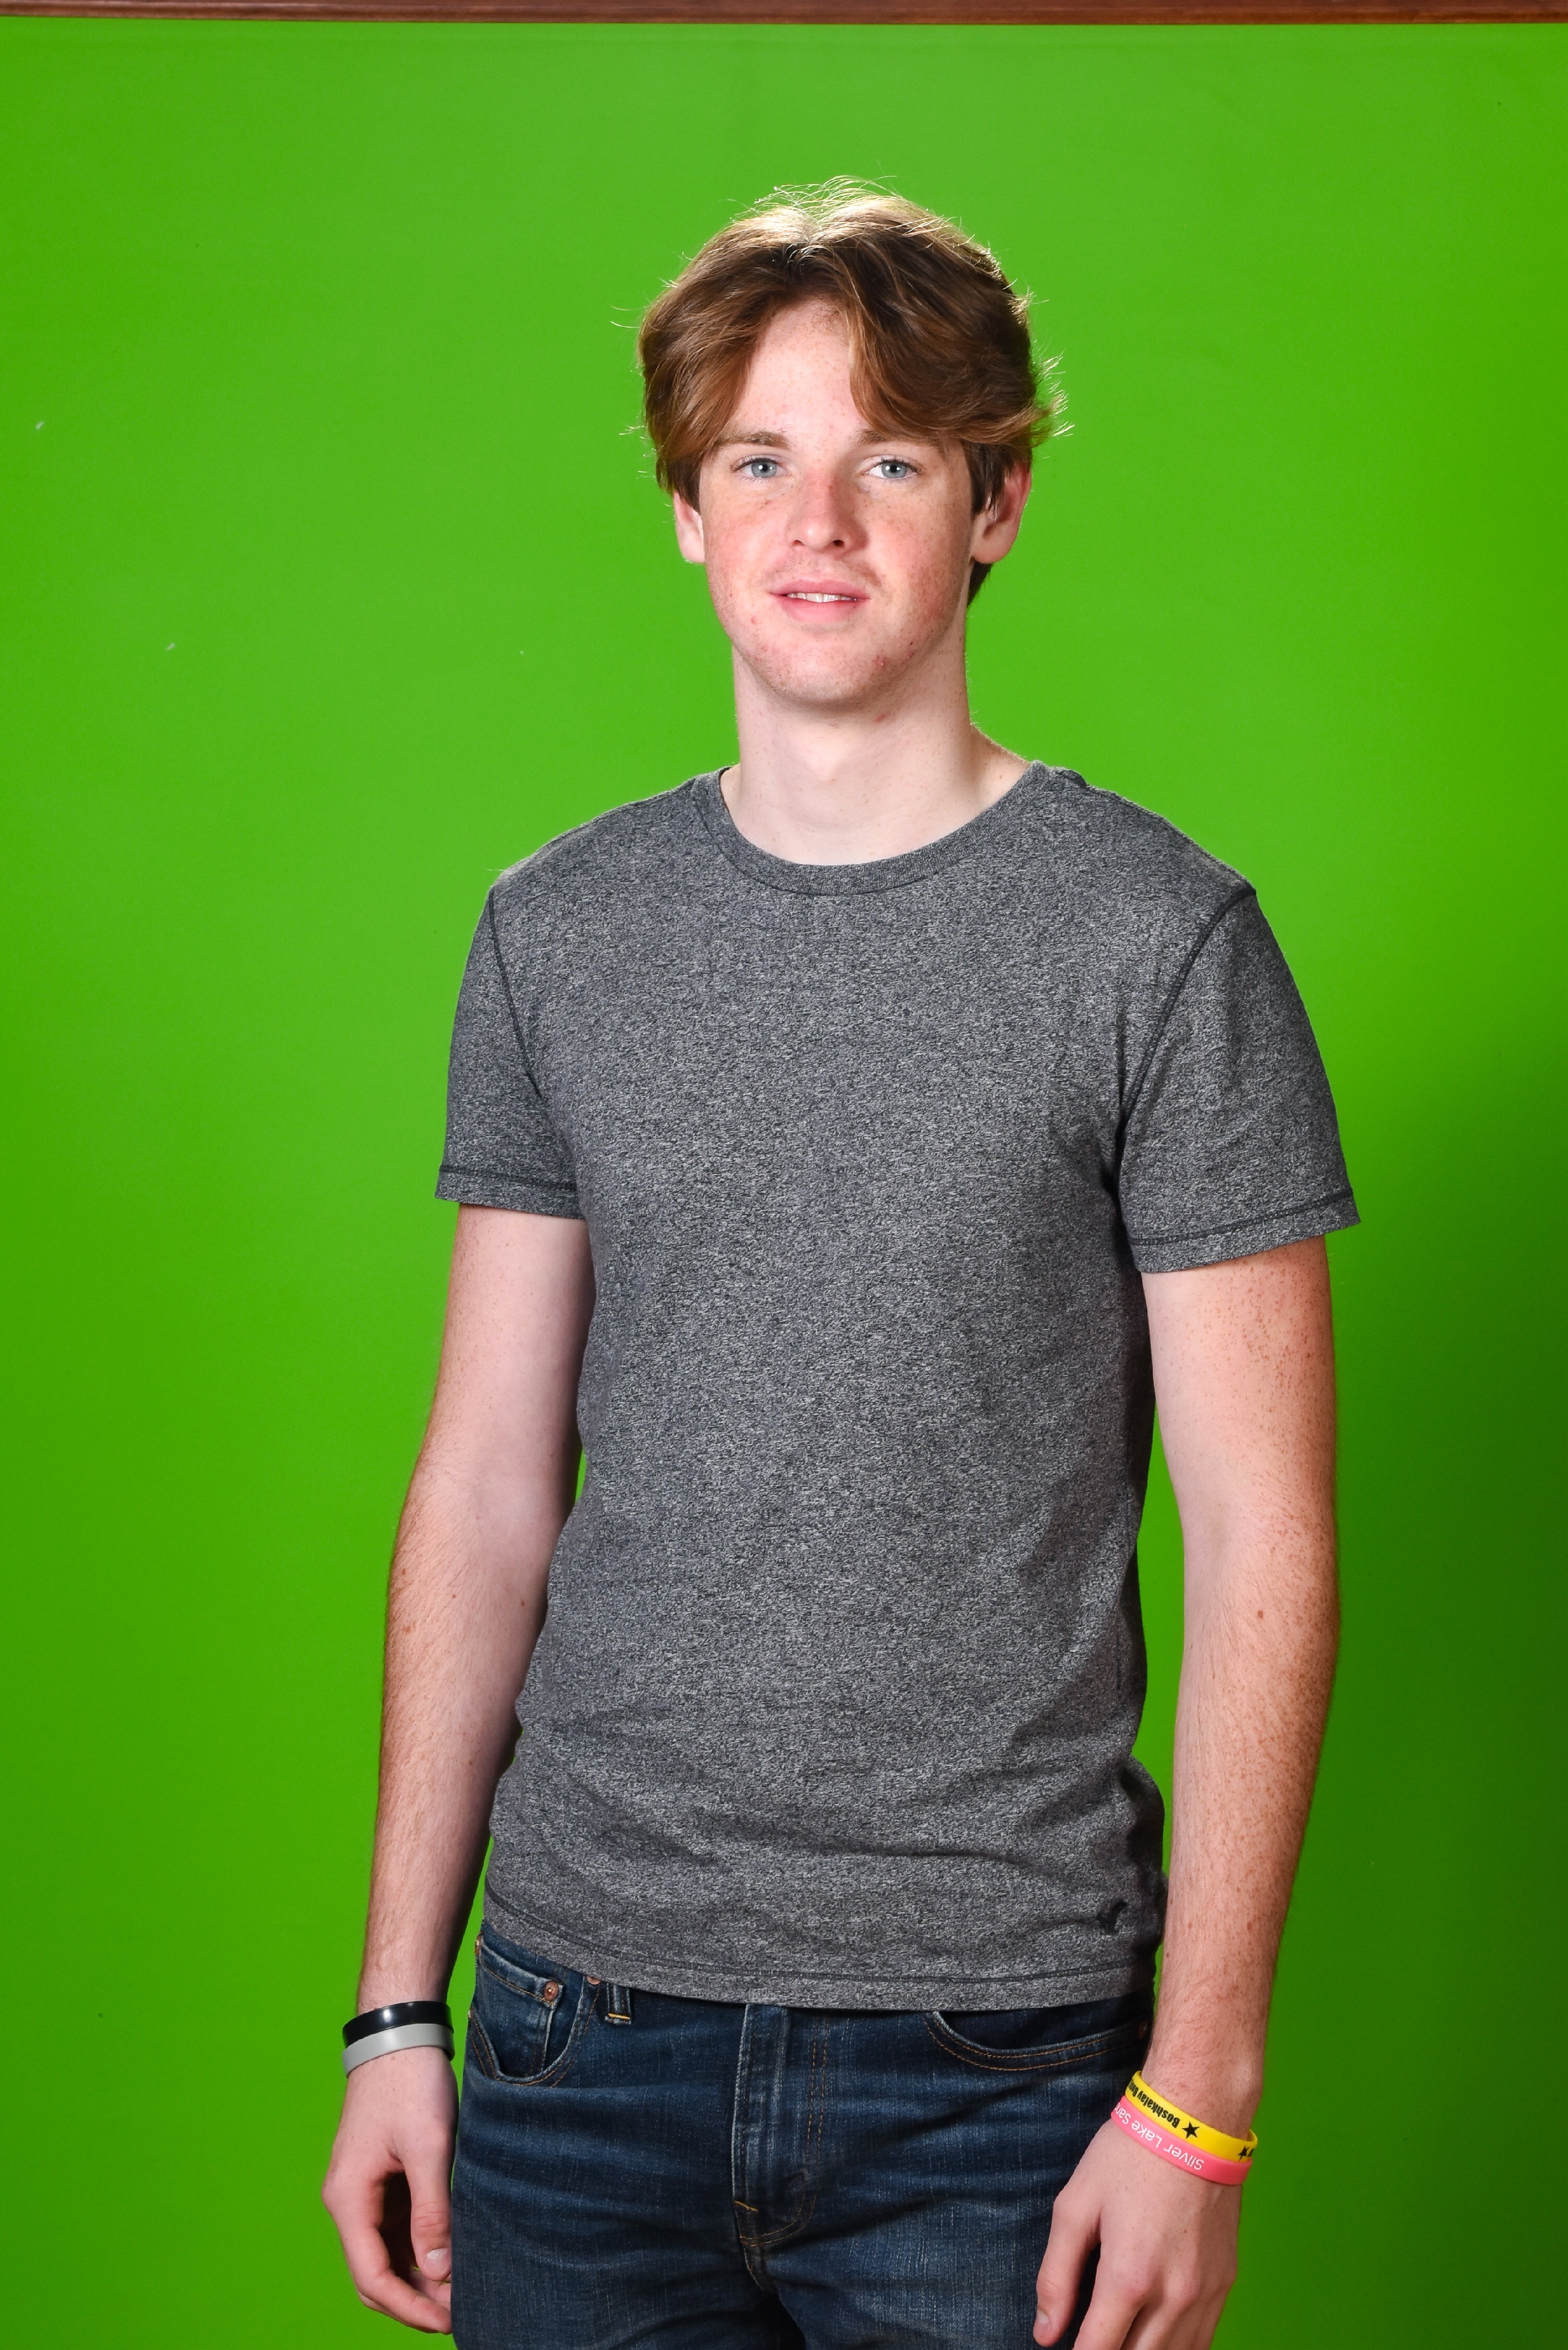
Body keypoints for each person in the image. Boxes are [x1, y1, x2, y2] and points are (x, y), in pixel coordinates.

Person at [322, 186, 1355, 2350]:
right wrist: (394, 2006)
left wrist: (1200, 2098)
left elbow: (1263, 1532)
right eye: (757, 461)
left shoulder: (1159, 943)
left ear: (993, 504)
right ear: (686, 514)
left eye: (889, 458)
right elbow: (485, 1483)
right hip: (571, 2031)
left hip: (1001, 2060)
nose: (816, 523)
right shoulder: (557, 933)